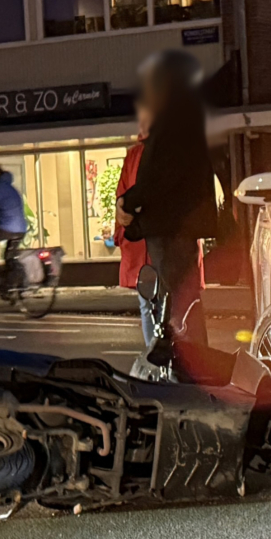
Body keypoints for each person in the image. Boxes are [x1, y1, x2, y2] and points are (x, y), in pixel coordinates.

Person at [116, 51, 221, 382]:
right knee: (178, 300)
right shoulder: (184, 119)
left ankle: (182, 374)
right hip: (174, 228)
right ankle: (187, 369)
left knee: (173, 301)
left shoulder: (174, 123)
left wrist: (130, 204)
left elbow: (160, 177)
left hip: (171, 229)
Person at [116, 105, 154, 373]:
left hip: (155, 238)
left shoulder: (151, 152)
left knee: (155, 301)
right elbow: (122, 192)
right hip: (144, 240)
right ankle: (155, 352)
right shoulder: (134, 155)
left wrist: (123, 208)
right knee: (148, 301)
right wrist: (121, 210)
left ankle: (159, 353)